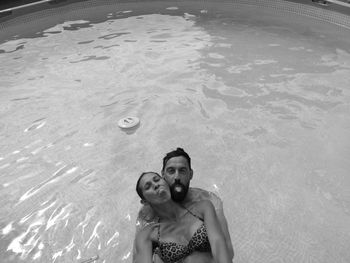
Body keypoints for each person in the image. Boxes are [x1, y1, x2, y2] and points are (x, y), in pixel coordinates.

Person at [132, 148, 234, 262]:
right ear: (164, 176)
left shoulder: (205, 202)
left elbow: (224, 248)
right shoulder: (147, 224)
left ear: (191, 174)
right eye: (171, 171)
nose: (177, 177)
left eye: (182, 170)